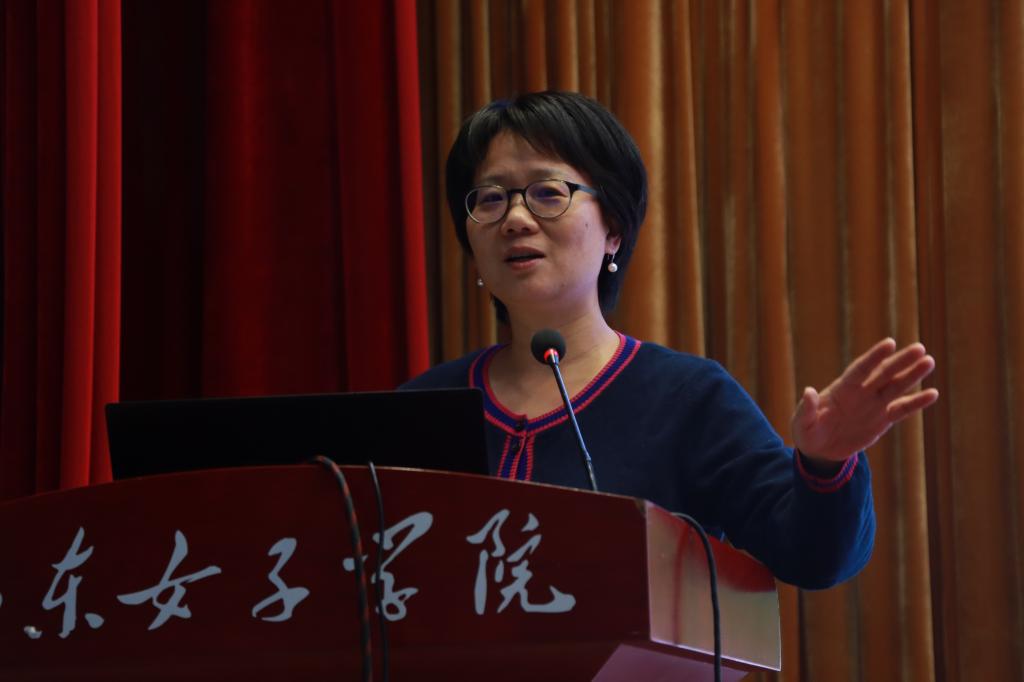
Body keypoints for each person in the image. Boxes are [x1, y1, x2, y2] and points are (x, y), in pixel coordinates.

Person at [402, 91, 938, 590]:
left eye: (547, 193)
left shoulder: (686, 398)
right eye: (490, 199)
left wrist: (826, 464)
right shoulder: (423, 406)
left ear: (614, 229)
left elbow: (813, 557)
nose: (515, 218)